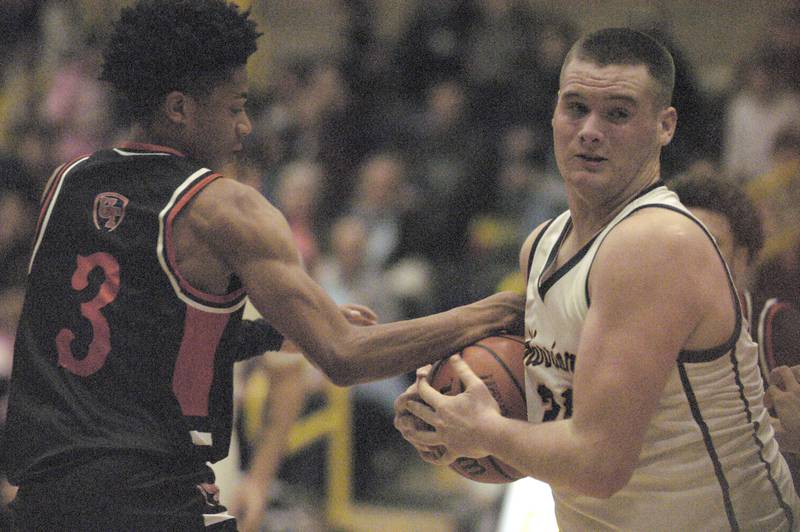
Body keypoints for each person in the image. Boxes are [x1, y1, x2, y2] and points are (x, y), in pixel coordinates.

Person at [1, 2, 524, 530]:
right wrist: (492, 313)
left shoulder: (66, 182)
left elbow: (129, 338)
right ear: (180, 108)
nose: (246, 125)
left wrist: (269, 336)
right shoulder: (224, 207)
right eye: (234, 106)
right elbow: (345, 356)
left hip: (42, 501)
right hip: (148, 503)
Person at [395, 28, 799, 530]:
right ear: (553, 114)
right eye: (576, 107)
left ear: (665, 126)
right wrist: (445, 418)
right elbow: (558, 426)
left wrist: (485, 432)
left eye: (619, 113)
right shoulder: (541, 244)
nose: (590, 129)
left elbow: (598, 462)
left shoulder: (654, 243)